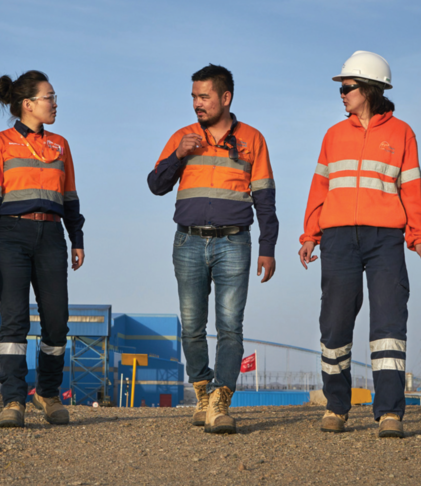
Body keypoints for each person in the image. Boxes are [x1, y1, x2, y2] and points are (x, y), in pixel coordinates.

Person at [298, 51, 421, 438]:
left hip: (384, 239)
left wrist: (419, 237)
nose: (342, 93)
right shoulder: (333, 135)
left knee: (389, 322)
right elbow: (319, 188)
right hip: (338, 238)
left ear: (370, 89)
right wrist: (310, 235)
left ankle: (389, 412)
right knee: (335, 322)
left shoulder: (402, 133)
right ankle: (336, 408)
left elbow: (412, 190)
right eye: (342, 88)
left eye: (348, 87)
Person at [148, 64, 278, 434]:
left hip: (235, 242)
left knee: (229, 326)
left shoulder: (253, 139)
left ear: (225, 97)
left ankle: (221, 399)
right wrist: (178, 155)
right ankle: (202, 391)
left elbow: (266, 199)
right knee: (191, 326)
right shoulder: (183, 136)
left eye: (203, 97)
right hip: (188, 240)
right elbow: (156, 185)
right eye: (193, 97)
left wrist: (267, 246)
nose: (197, 104)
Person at [0, 70, 85, 428]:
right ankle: (14, 400)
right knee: (15, 321)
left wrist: (77, 239)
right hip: (10, 236)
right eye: (49, 97)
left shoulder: (61, 145)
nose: (54, 104)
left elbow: (70, 199)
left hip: (51, 236)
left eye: (53, 98)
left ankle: (47, 394)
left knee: (56, 322)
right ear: (27, 104)